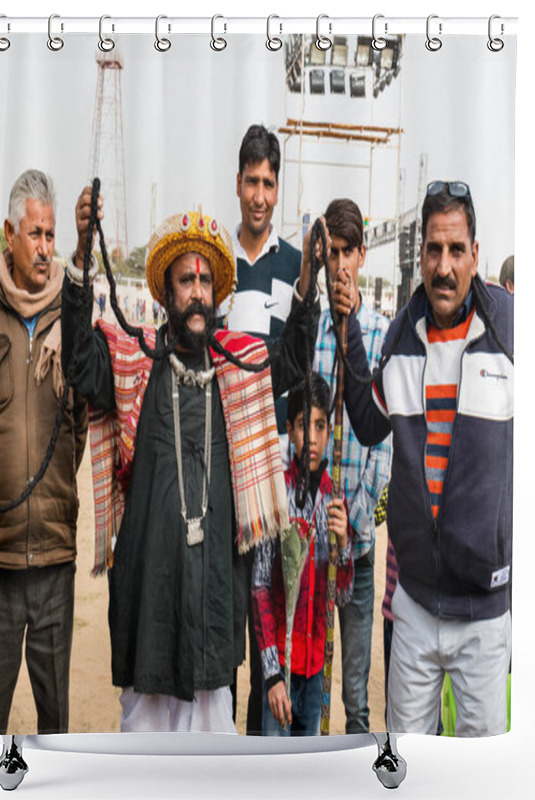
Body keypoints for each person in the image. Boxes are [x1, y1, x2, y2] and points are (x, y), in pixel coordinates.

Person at [62, 190, 315, 733]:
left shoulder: (236, 364)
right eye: (186, 281)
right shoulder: (135, 358)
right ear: (167, 292)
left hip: (213, 609)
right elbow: (80, 363)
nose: (197, 294)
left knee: (211, 773)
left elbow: (293, 360)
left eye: (205, 282)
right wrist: (82, 254)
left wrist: (307, 288)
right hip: (148, 603)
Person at [337, 180, 513, 737]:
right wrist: (347, 333)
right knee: (407, 774)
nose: (443, 266)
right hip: (413, 606)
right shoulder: (402, 336)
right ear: (421, 257)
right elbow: (367, 423)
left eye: (456, 250)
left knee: (478, 781)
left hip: (485, 616)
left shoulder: (510, 333)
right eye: (434, 250)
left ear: (475, 256)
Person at [0, 169, 88, 735]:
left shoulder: (72, 318)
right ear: (9, 232)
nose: (44, 248)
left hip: (56, 560)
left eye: (51, 235)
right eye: (34, 234)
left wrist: (50, 487)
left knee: (54, 724)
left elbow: (79, 425)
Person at [219, 123, 307, 733]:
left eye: (268, 182)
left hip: (273, 468)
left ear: (278, 188)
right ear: (238, 184)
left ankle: (257, 757)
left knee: (266, 617)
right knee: (226, 618)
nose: (258, 194)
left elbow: (299, 368)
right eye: (250, 181)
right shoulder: (217, 264)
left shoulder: (297, 267)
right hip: (223, 466)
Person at [310, 198, 391, 734]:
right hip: (313, 547)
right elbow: (301, 432)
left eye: (348, 253)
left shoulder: (382, 334)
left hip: (357, 552)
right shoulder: (312, 330)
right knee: (312, 692)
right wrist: (320, 514)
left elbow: (383, 450)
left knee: (357, 702)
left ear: (363, 254)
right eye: (331, 254)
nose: (340, 265)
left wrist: (352, 518)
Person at [252, 374, 352, 736]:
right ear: (290, 431)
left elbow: (341, 595)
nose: (311, 437)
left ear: (329, 432)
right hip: (281, 670)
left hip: (316, 675)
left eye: (320, 425)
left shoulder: (334, 502)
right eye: (301, 425)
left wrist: (344, 547)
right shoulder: (277, 495)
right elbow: (260, 585)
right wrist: (271, 674)